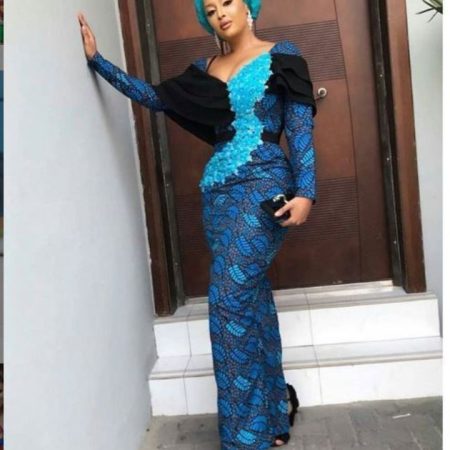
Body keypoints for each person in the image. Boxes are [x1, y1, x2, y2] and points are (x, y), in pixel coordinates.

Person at [78, 0, 317, 447]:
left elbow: (300, 128)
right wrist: (98, 61)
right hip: (218, 195)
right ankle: (272, 414)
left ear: (248, 7)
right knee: (252, 301)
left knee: (227, 303)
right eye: (209, 9)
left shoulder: (283, 55)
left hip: (264, 185)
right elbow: (154, 97)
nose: (220, 13)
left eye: (227, 2)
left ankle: (245, 437)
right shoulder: (203, 69)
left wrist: (306, 191)